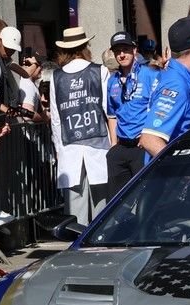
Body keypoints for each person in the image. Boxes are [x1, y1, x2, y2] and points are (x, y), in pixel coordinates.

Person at [49, 25, 113, 226]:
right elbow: (108, 110)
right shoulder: (99, 71)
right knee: (102, 209)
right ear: (86, 46)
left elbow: (56, 118)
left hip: (70, 148)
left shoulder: (56, 77)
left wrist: (59, 148)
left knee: (75, 215)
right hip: (99, 146)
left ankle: (77, 253)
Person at [139, 17, 190, 158]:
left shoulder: (176, 77)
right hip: (167, 177)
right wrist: (178, 172)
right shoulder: (177, 85)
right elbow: (149, 139)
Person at [106, 31, 159, 197]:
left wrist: (150, 138)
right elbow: (112, 115)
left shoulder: (149, 74)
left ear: (134, 50)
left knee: (145, 196)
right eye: (117, 51)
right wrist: (114, 145)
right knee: (117, 200)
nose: (122, 55)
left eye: (125, 50)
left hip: (141, 145)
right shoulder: (112, 81)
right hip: (121, 147)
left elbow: (158, 109)